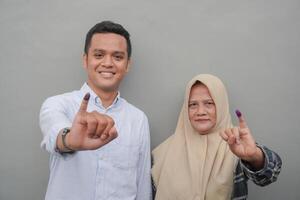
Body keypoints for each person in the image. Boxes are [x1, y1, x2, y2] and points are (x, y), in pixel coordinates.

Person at [39, 21, 152, 200]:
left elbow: (143, 186)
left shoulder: (138, 119)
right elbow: (56, 133)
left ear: (128, 64)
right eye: (99, 55)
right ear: (85, 60)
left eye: (117, 57)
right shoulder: (57, 104)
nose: (107, 63)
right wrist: (69, 140)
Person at [151, 74, 282, 200]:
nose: (200, 112)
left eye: (209, 103)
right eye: (193, 105)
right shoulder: (163, 153)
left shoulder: (235, 145)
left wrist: (254, 156)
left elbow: (269, 176)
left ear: (221, 105)